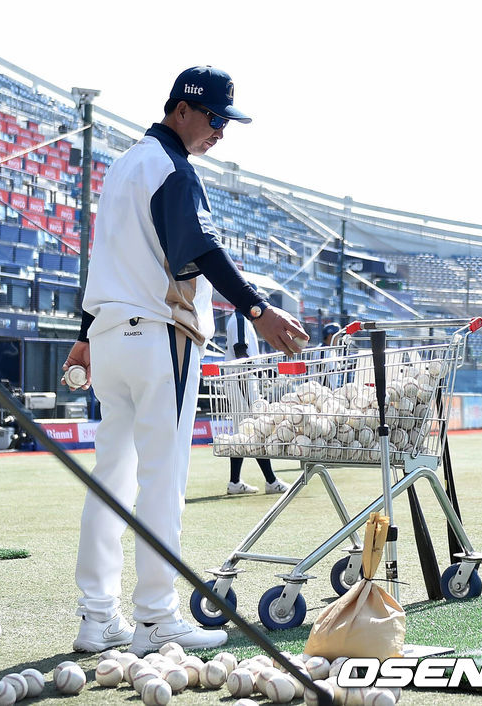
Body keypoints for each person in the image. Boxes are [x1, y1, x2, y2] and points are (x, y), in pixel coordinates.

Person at [62, 65, 309, 658]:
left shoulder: (123, 165)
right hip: (158, 338)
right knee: (162, 482)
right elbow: (197, 250)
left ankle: (97, 617)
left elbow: (107, 258)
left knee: (111, 479)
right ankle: (156, 620)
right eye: (217, 117)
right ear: (182, 110)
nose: (221, 130)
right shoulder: (172, 167)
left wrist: (85, 333)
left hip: (113, 337)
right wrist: (258, 311)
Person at [224, 298, 291, 495]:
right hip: (242, 381)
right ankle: (271, 481)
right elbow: (240, 352)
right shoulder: (240, 320)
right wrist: (261, 375)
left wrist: (261, 373)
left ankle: (235, 482)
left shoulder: (240, 320)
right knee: (256, 430)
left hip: (240, 380)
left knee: (243, 433)